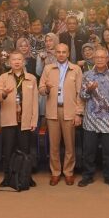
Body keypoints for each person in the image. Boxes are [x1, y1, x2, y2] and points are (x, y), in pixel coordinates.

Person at [0, 52, 39, 191]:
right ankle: (7, 178)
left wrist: (34, 120)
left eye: (19, 59)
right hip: (9, 120)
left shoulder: (31, 78)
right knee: (8, 151)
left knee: (26, 150)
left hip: (25, 120)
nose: (17, 62)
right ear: (9, 62)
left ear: (24, 61)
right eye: (14, 59)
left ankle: (26, 177)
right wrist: (4, 93)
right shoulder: (3, 77)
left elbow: (35, 102)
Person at [78, 48, 109, 187]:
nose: (99, 59)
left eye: (102, 57)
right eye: (97, 57)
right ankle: (88, 175)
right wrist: (89, 90)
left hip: (108, 119)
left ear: (107, 59)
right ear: (93, 59)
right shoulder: (87, 75)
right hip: (91, 119)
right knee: (88, 151)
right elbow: (82, 96)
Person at [40, 43, 83, 185]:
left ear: (68, 53)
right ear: (55, 54)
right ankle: (55, 172)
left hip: (70, 111)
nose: (61, 54)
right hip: (53, 111)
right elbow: (41, 89)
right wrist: (46, 89)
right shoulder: (48, 68)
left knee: (70, 145)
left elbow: (80, 93)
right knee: (54, 145)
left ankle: (69, 172)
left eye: (64, 52)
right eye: (58, 52)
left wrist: (78, 113)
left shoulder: (76, 69)